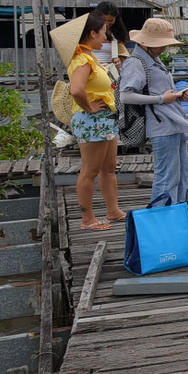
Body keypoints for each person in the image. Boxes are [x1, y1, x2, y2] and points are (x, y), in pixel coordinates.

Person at [120, 18, 188, 206]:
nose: (163, 48)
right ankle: (161, 219)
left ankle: (176, 212)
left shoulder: (153, 59)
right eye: (160, 44)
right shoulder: (135, 62)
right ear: (146, 43)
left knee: (183, 173)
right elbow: (126, 96)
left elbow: (158, 91)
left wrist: (180, 95)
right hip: (160, 126)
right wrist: (162, 99)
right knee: (167, 177)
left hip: (172, 124)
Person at [67, 12, 124, 230]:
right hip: (92, 119)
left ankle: (113, 210)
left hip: (105, 117)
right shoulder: (81, 59)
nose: (105, 38)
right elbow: (77, 89)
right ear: (92, 33)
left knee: (109, 167)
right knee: (90, 170)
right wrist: (88, 107)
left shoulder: (91, 57)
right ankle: (87, 219)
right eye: (103, 33)